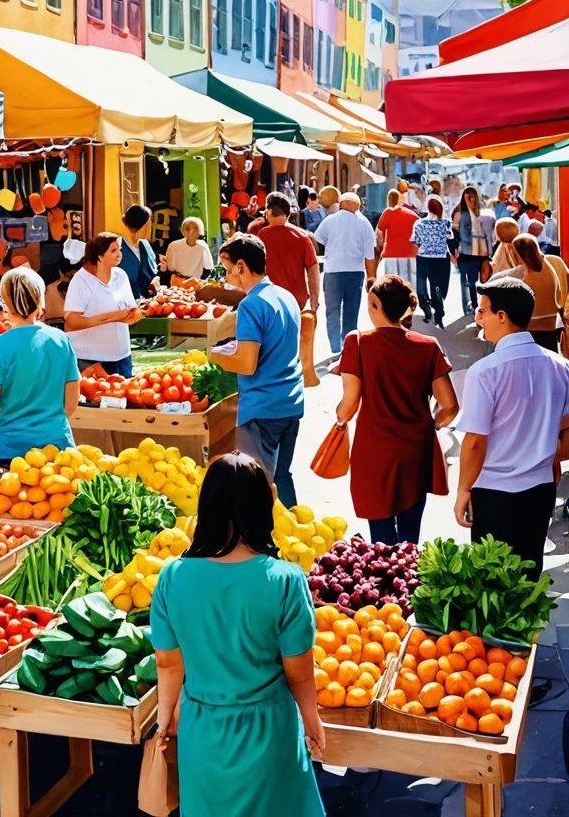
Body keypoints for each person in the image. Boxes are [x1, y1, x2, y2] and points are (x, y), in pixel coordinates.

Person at [150, 452, 325, 817]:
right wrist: (311, 720)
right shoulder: (286, 580)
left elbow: (168, 664)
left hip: (204, 735)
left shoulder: (172, 577)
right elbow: (300, 671)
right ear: (267, 504)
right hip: (269, 732)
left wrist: (165, 718)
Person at [456, 277, 569, 575]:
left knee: (491, 585)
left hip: (494, 493)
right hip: (540, 490)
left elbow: (474, 441)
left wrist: (463, 490)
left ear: (502, 317)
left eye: (483, 312)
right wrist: (553, 457)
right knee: (528, 579)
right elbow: (565, 427)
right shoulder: (559, 364)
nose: (478, 319)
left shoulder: (484, 371)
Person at [334, 276, 459, 544]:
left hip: (374, 452)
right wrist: (431, 424)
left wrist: (339, 419)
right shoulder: (428, 346)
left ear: (375, 303)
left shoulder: (357, 342)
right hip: (416, 450)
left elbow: (348, 405)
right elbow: (450, 406)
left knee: (380, 541)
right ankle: (410, 583)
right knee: (410, 539)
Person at [212, 235, 303, 506]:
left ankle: (263, 543)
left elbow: (247, 363)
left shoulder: (251, 304)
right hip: (290, 401)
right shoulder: (284, 295)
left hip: (262, 406)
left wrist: (216, 355)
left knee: (254, 485)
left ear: (241, 266)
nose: (227, 275)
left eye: (228, 269)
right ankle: (294, 540)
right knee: (281, 478)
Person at [0, 268, 79, 468]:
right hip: (59, 449)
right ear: (40, 300)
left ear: (5, 303)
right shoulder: (61, 340)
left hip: (13, 454)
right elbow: (71, 402)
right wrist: (46, 426)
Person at [63, 233, 143, 378]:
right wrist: (113, 317)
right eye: (113, 250)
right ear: (99, 256)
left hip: (122, 357)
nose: (119, 254)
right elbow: (71, 321)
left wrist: (138, 313)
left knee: (124, 399)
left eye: (120, 249)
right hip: (90, 360)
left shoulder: (121, 276)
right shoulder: (81, 280)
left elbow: (131, 313)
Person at [314, 192, 377, 354]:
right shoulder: (364, 223)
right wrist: (371, 277)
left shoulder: (330, 220)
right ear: (357, 206)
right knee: (351, 311)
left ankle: (335, 348)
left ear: (341, 204)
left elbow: (317, 240)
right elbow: (370, 254)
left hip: (332, 272)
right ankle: (348, 348)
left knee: (332, 311)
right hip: (355, 273)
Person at [495, 234, 565, 352]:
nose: (513, 256)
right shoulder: (550, 263)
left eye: (514, 253)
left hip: (532, 333)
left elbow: (499, 279)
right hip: (551, 330)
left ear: (521, 253)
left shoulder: (526, 273)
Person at [255, 192, 320, 313]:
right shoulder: (302, 236)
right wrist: (314, 300)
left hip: (270, 298)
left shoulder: (261, 235)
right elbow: (313, 268)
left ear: (268, 212)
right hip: (296, 300)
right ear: (288, 213)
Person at [451, 186, 495, 316]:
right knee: (468, 283)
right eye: (467, 196)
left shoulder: (485, 214)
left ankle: (481, 307)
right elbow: (456, 236)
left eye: (472, 196)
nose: (470, 199)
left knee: (482, 281)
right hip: (466, 254)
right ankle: (471, 308)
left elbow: (491, 235)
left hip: (482, 254)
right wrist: (453, 254)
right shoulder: (460, 214)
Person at [411, 196, 453, 328]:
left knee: (421, 285)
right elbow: (450, 238)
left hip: (424, 258)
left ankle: (427, 310)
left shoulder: (419, 223)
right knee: (438, 286)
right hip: (441, 259)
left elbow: (414, 240)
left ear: (428, 208)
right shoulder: (446, 223)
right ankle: (439, 313)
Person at [375, 189, 419, 284]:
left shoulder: (388, 212)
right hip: (411, 253)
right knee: (410, 285)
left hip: (392, 254)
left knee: (392, 285)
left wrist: (379, 246)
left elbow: (378, 233)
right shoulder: (412, 214)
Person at [118, 205, 159, 299]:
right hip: (126, 303)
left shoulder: (146, 245)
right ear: (138, 226)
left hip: (148, 302)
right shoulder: (118, 248)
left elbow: (153, 271)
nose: (150, 229)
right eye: (147, 225)